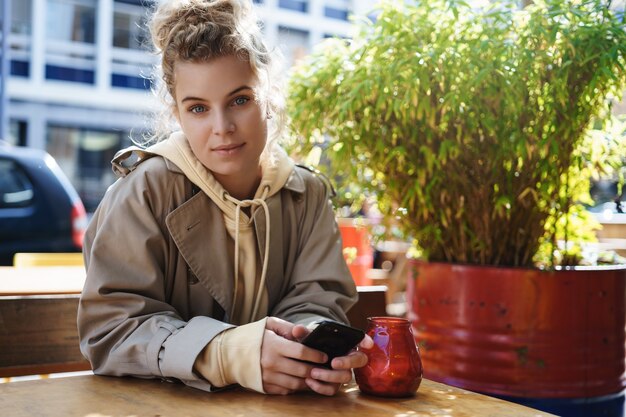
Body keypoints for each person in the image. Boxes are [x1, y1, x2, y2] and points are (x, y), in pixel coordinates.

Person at [77, 0, 372, 397]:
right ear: (177, 115)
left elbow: (316, 300)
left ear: (268, 94)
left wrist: (311, 347)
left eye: (239, 100)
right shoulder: (144, 191)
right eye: (198, 108)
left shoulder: (307, 193)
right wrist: (227, 354)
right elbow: (111, 330)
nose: (223, 128)